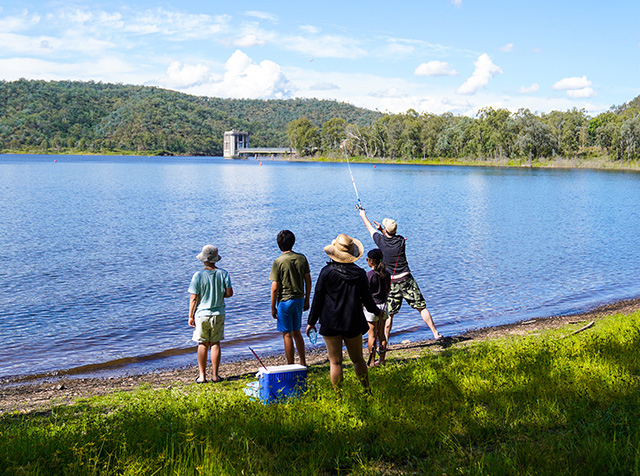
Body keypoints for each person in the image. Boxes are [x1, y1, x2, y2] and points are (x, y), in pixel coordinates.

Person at [306, 233, 381, 395]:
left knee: (335, 362)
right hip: (352, 321)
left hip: (330, 322)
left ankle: (339, 396)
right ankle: (367, 391)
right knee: (358, 359)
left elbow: (317, 299)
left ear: (334, 253)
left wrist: (311, 321)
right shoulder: (360, 274)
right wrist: (378, 312)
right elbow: (367, 300)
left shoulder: (326, 272)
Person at [359, 209, 443, 346]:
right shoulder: (401, 240)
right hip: (407, 279)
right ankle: (435, 333)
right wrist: (383, 230)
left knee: (389, 315)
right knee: (421, 307)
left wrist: (363, 215)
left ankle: (384, 344)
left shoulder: (381, 241)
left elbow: (369, 228)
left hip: (392, 282)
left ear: (386, 230)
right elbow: (390, 237)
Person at [188, 245, 233, 383]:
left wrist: (190, 315)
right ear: (215, 259)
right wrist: (219, 294)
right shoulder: (223, 273)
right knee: (215, 343)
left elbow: (194, 298)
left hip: (201, 314)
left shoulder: (198, 275)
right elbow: (229, 293)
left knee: (202, 344)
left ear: (203, 260)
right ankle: (215, 375)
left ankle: (202, 376)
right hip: (218, 313)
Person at [270, 230, 311, 366]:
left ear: (278, 244)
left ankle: (290, 364)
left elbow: (275, 288)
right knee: (297, 332)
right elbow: (308, 281)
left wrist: (272, 308)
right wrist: (307, 299)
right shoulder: (301, 258)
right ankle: (303, 362)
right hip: (299, 299)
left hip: (285, 301)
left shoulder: (278, 262)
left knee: (287, 334)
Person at [364, 248, 391, 366]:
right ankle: (382, 360)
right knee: (382, 335)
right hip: (384, 306)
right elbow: (388, 290)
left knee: (372, 335)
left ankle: (371, 361)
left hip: (371, 307)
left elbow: (365, 293)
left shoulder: (368, 275)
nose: (367, 261)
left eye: (367, 259)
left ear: (372, 261)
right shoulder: (387, 274)